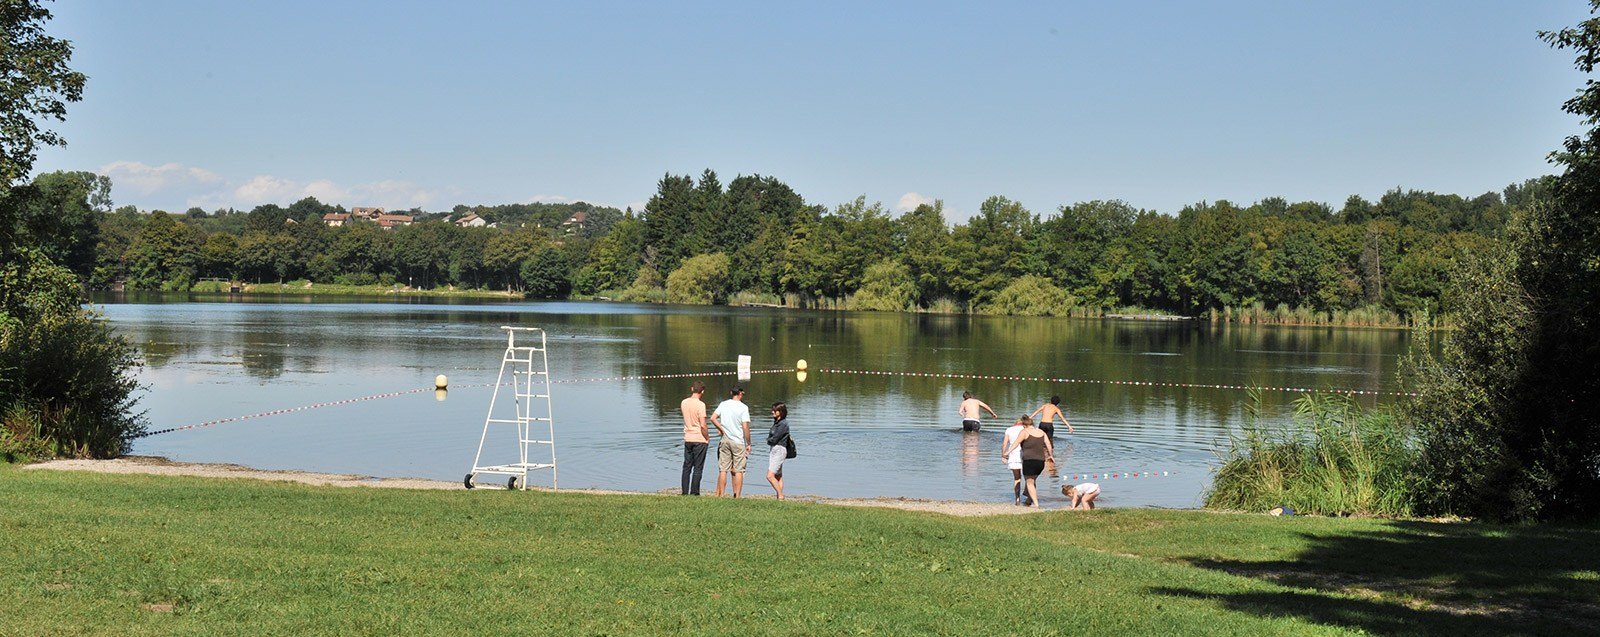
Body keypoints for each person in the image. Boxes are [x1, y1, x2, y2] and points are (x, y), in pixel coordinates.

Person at [1001, 415, 1054, 509]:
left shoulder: (1024, 431)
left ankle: (1035, 503)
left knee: (1029, 482)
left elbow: (1015, 443)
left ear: (1024, 425)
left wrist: (1006, 453)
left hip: (1029, 460)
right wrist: (1051, 455)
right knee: (1032, 481)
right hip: (1041, 461)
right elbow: (1048, 444)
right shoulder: (1041, 432)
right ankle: (1029, 499)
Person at [710, 385, 752, 498]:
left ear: (731, 393)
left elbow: (713, 418)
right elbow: (745, 427)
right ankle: (737, 496)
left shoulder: (723, 404)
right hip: (738, 441)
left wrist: (721, 429)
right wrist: (748, 443)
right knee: (739, 470)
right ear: (741, 393)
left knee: (723, 469)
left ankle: (721, 495)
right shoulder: (743, 407)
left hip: (725, 440)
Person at [679, 381, 709, 495]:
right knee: (698, 468)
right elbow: (703, 424)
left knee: (686, 466)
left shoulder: (684, 402)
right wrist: (707, 437)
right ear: (702, 391)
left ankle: (684, 492)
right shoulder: (701, 405)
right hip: (699, 438)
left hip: (688, 438)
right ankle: (695, 492)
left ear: (692, 389)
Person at [765, 401, 791, 500]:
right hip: (775, 449)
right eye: (772, 410)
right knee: (778, 475)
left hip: (779, 449)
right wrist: (770, 440)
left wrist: (768, 440)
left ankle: (780, 495)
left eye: (775, 410)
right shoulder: (777, 422)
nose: (772, 412)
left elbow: (774, 438)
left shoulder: (783, 424)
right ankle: (779, 497)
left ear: (781, 412)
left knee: (770, 476)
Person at [1000, 417, 1027, 505]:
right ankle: (1029, 496)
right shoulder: (1026, 429)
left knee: (1017, 478)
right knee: (1029, 478)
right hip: (1025, 454)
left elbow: (1004, 444)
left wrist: (1003, 455)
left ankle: (1017, 499)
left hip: (1013, 456)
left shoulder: (1009, 429)